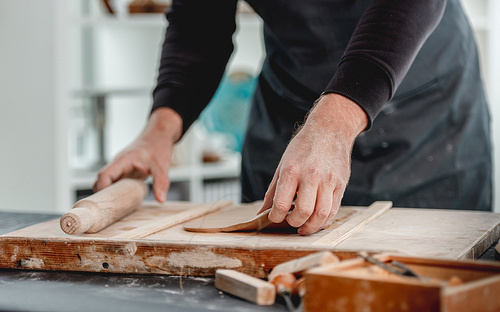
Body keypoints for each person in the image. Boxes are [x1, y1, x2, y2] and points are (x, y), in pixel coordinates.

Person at [93, 0, 492, 235]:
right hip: (292, 107)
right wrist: (160, 131)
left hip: (424, 114)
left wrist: (336, 123)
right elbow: (200, 24)